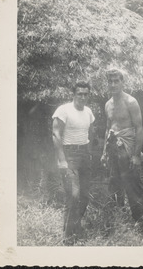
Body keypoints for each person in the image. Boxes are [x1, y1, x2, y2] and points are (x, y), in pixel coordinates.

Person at [101, 68, 143, 232]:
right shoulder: (108, 104)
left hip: (128, 149)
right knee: (113, 183)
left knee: (133, 185)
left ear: (123, 82)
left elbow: (139, 128)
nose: (113, 84)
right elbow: (108, 128)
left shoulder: (131, 102)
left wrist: (136, 155)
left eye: (117, 81)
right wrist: (104, 152)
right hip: (113, 148)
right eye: (110, 81)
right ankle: (115, 222)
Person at [52, 81, 95, 245]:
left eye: (86, 94)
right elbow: (56, 134)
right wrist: (62, 160)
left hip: (84, 154)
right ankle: (68, 238)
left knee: (84, 196)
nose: (83, 97)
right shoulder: (64, 110)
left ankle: (75, 227)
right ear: (74, 94)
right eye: (79, 94)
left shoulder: (89, 112)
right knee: (73, 195)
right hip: (69, 155)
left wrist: (89, 153)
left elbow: (90, 133)